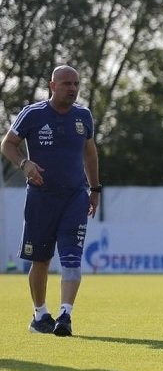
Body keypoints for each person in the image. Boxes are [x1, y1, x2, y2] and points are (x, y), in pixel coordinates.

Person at [0, 65, 101, 337]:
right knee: (41, 260)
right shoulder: (33, 114)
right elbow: (7, 144)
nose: (72, 88)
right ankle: (40, 315)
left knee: (71, 258)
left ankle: (65, 314)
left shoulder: (84, 116)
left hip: (75, 197)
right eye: (66, 83)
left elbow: (90, 154)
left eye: (76, 83)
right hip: (41, 199)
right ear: (52, 85)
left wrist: (95, 189)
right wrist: (24, 163)